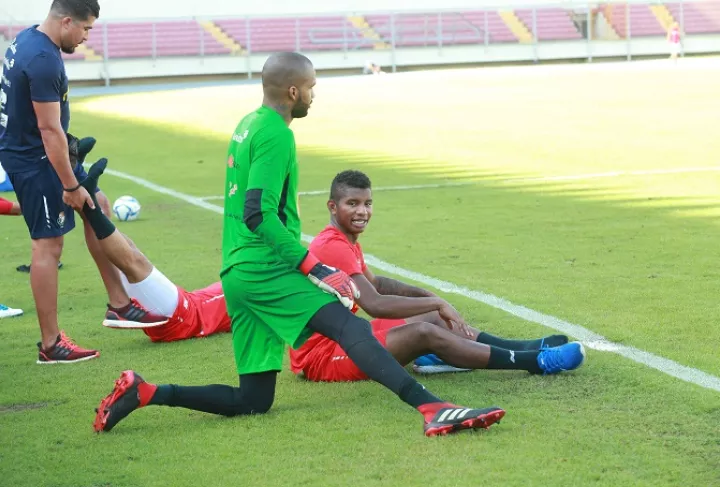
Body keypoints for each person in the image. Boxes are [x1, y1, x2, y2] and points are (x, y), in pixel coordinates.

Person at [93, 52, 506, 438]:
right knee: (351, 327)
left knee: (254, 400)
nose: (313, 95)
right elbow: (258, 213)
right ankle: (432, 408)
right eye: (311, 87)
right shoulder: (276, 134)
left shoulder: (248, 123)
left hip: (238, 274)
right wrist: (314, 266)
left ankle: (146, 392)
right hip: (264, 269)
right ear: (293, 92)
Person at [289, 170, 586, 382]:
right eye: (351, 204)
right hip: (322, 356)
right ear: (332, 206)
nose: (362, 211)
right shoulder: (332, 245)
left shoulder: (344, 240)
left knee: (432, 320)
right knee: (424, 331)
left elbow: (378, 283)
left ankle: (522, 346)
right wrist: (436, 304)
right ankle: (535, 361)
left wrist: (430, 299)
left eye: (367, 203)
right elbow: (375, 303)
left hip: (349, 336)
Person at [0, 0, 131, 364]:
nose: (87, 37)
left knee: (98, 205)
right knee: (48, 246)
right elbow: (48, 128)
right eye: (86, 29)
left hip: (32, 151)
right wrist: (70, 185)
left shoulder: (29, 39)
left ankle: (119, 304)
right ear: (67, 21)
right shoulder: (43, 58)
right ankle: (51, 344)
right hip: (33, 158)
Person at [63, 156, 230, 341]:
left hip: (184, 318)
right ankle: (80, 186)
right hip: (185, 304)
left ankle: (88, 203)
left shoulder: (263, 295)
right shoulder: (259, 282)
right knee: (131, 251)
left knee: (134, 262)